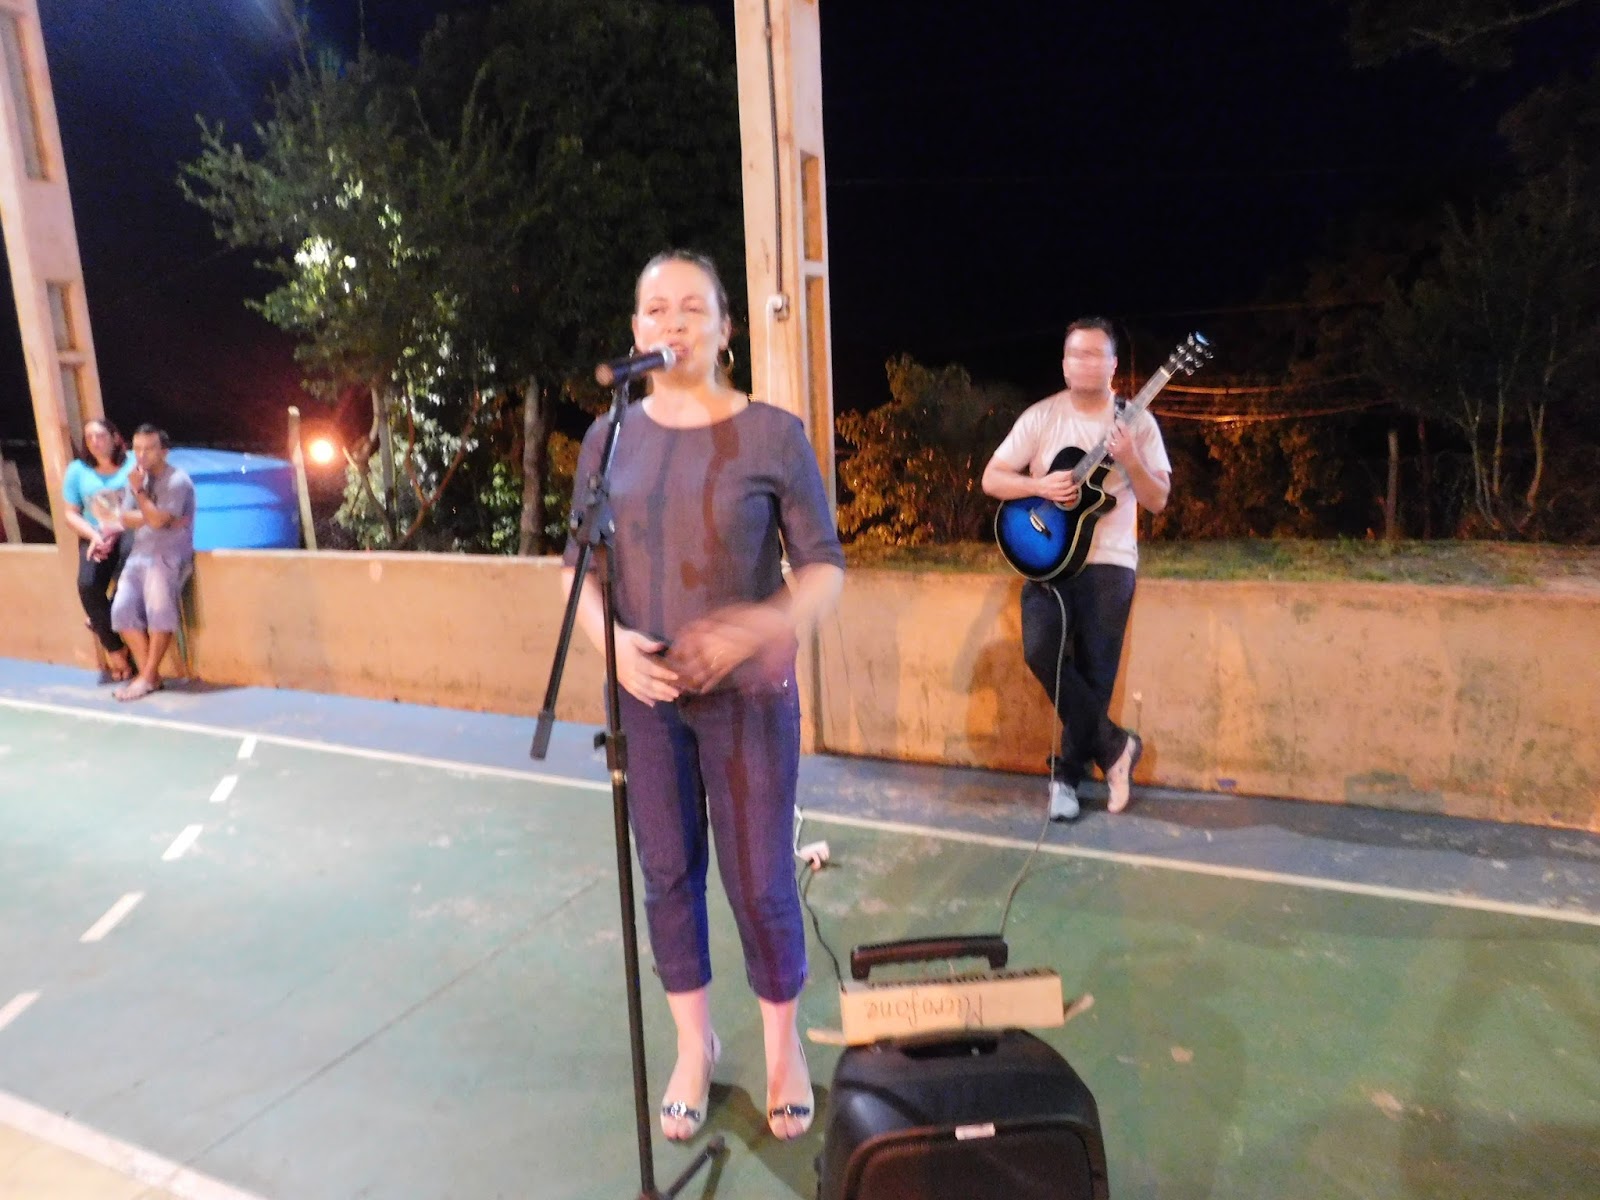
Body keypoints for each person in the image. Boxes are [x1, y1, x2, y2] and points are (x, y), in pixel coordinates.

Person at [562, 250, 844, 1143]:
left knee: (760, 880)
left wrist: (754, 628)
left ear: (726, 330)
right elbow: (576, 572)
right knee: (667, 873)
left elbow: (824, 570)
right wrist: (612, 648)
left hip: (748, 701)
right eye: (656, 309)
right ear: (635, 330)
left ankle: (783, 1050)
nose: (672, 323)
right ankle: (695, 1045)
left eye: (693, 307)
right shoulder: (608, 440)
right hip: (646, 703)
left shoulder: (773, 435)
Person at [981, 317, 1171, 821]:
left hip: (1110, 562)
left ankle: (1066, 778)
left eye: (1095, 354)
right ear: (1064, 365)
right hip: (1047, 558)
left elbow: (1158, 500)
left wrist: (1130, 458)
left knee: (1095, 672)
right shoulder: (1042, 417)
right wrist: (1038, 487)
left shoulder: (1138, 423)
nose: (1084, 363)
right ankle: (1115, 747)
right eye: (1076, 354)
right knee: (1040, 651)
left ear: (1113, 365)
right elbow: (992, 479)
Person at [110, 424, 195, 702]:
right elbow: (125, 518)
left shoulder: (177, 481)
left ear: (164, 451)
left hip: (167, 556)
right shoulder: (136, 479)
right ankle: (151, 675)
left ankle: (146, 677)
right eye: (137, 448)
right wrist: (154, 515)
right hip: (139, 554)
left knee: (160, 612)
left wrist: (142, 497)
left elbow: (156, 521)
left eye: (149, 448)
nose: (141, 454)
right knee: (121, 611)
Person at [61, 418, 135, 681]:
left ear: (115, 437)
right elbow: (70, 513)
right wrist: (94, 536)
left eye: (100, 435)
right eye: (89, 437)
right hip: (96, 535)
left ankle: (103, 619)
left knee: (128, 578)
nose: (95, 442)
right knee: (88, 585)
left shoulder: (133, 462)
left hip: (129, 532)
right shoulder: (77, 470)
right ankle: (115, 649)